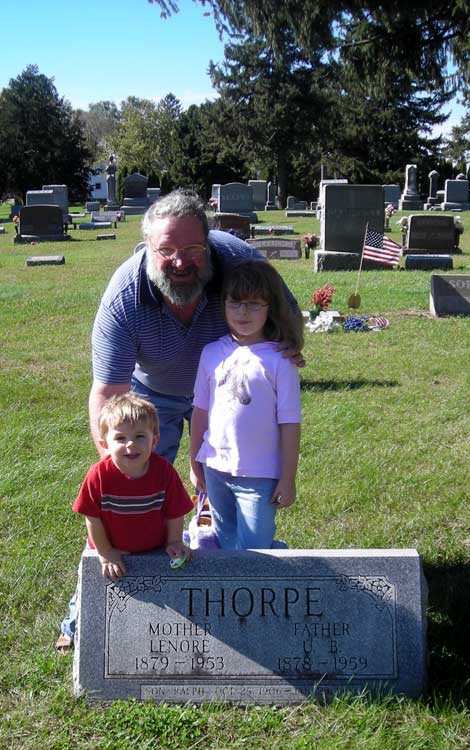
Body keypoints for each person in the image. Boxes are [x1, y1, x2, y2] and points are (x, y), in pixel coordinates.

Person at [89, 188, 303, 464]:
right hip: (154, 392)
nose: (180, 262)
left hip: (226, 386)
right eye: (166, 250)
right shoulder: (124, 297)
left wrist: (287, 342)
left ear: (209, 243)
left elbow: (286, 308)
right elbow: (108, 393)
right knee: (141, 476)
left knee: (231, 471)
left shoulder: (239, 265)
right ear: (147, 245)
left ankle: (214, 505)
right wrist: (113, 467)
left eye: (193, 249)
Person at [56, 392, 193, 653]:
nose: (131, 445)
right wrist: (105, 553)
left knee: (157, 593)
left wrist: (175, 541)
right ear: (104, 442)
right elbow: (92, 518)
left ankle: (146, 628)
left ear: (155, 440)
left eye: (140, 436)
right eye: (120, 438)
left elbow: (175, 511)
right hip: (109, 547)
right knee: (86, 591)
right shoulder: (99, 475)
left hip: (153, 547)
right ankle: (70, 628)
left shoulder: (164, 472)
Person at [189, 260, 303, 549]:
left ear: (270, 308)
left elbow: (289, 424)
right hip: (215, 468)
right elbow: (200, 412)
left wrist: (288, 478)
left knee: (256, 549)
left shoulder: (281, 360)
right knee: (226, 544)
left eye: (254, 304)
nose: (243, 312)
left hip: (259, 475)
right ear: (223, 305)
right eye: (235, 303)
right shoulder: (212, 353)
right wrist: (194, 463)